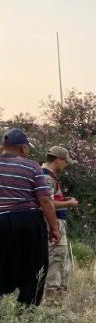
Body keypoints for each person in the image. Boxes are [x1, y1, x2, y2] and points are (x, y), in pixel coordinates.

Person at [0, 128, 60, 306]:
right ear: (22, 148)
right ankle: (27, 309)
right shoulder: (32, 166)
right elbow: (44, 199)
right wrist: (54, 228)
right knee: (35, 267)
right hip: (27, 220)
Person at [41, 145, 79, 297]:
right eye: (65, 162)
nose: (66, 165)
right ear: (58, 160)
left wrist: (63, 200)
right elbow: (46, 203)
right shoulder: (47, 177)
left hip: (54, 223)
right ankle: (52, 299)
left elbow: (50, 199)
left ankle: (58, 296)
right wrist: (68, 204)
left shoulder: (46, 175)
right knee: (56, 261)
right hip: (53, 223)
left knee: (61, 261)